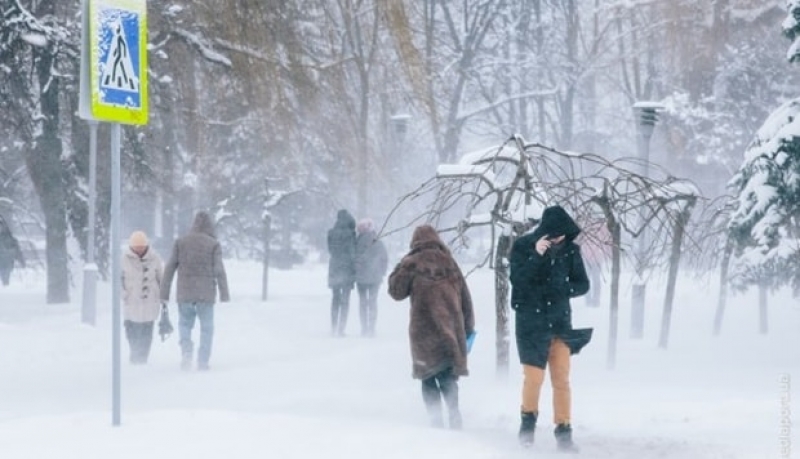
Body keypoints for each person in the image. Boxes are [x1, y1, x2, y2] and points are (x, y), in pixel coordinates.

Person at [509, 205, 592, 451]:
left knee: (562, 379)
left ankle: (564, 432)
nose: (559, 240)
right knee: (534, 378)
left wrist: (564, 289)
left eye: (563, 236)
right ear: (545, 233)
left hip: (559, 323)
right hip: (530, 325)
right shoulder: (523, 246)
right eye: (555, 236)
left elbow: (583, 284)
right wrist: (536, 255)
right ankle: (527, 424)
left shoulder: (571, 252)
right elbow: (518, 281)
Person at [388, 225, 475, 430]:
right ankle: (454, 415)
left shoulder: (411, 264)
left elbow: (396, 292)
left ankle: (435, 421)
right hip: (451, 330)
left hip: (423, 332)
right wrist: (468, 328)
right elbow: (466, 299)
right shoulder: (450, 263)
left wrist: (399, 267)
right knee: (447, 374)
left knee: (428, 376)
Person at [161, 211, 230, 371]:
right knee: (207, 328)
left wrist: (164, 293)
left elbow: (170, 268)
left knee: (185, 324)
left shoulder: (181, 242)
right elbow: (219, 269)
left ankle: (186, 351)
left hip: (185, 293)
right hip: (205, 294)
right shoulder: (213, 244)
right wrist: (224, 293)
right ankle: (203, 361)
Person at [121, 231, 163, 364]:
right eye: (136, 247)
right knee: (131, 331)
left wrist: (162, 296)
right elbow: (118, 280)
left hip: (149, 302)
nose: (139, 250)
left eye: (141, 247)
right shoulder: (123, 259)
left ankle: (143, 358)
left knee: (147, 332)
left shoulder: (155, 258)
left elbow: (161, 278)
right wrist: (124, 294)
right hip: (131, 302)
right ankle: (134, 355)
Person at [354, 218, 388, 337]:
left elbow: (355, 257)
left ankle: (364, 328)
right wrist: (382, 272)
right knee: (373, 302)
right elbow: (384, 257)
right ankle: (372, 328)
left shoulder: (358, 241)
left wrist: (356, 270)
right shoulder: (377, 241)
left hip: (361, 277)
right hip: (375, 277)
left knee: (363, 303)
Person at [327, 209, 356, 337]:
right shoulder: (350, 234)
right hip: (346, 268)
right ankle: (341, 328)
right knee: (345, 300)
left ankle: (333, 326)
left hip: (334, 267)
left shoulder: (331, 233)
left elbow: (330, 250)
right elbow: (352, 253)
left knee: (335, 299)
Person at [0, 217, 25, 286]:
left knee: (5, 274)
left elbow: (17, 250)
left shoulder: (11, 239)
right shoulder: (10, 238)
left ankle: (5, 284)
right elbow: (17, 250)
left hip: (7, 261)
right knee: (4, 273)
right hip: (5, 261)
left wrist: (21, 260)